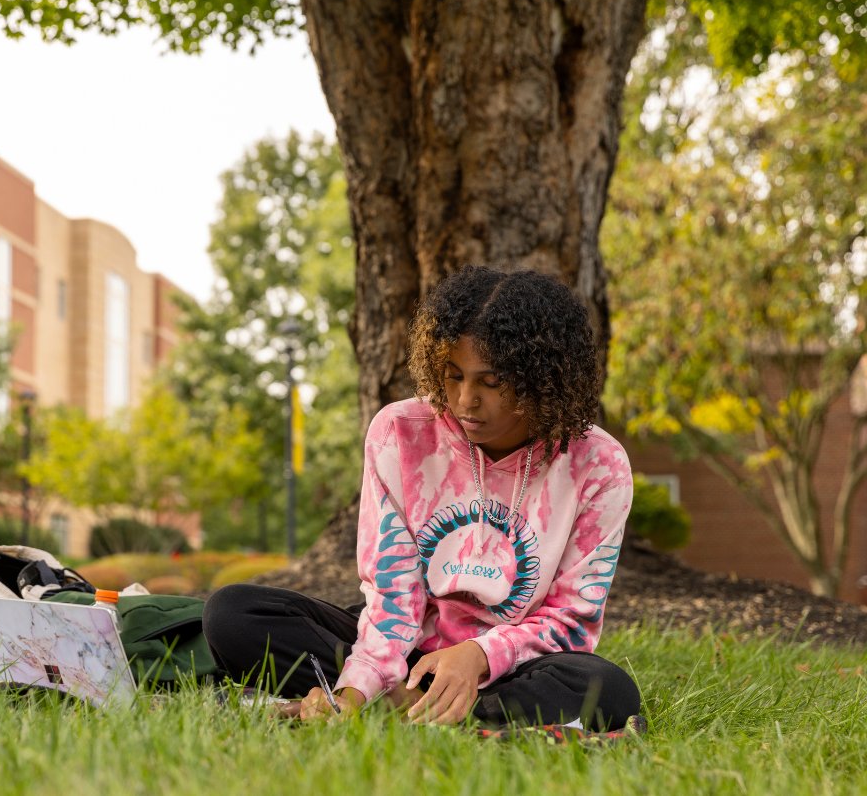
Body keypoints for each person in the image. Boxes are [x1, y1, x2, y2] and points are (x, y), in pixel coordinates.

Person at [202, 265, 641, 731]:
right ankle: (415, 706)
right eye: (454, 376)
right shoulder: (401, 433)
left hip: (507, 666)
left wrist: (477, 656)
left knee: (607, 689)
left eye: (490, 383)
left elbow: (572, 619)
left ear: (543, 378)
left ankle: (422, 706)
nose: (465, 400)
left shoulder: (598, 465)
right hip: (404, 647)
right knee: (233, 615)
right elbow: (392, 592)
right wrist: (357, 686)